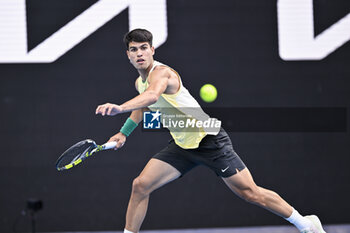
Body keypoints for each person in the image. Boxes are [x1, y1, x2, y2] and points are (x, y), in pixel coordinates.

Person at [95, 29, 326, 233]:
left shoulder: (162, 73)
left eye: (144, 48)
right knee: (140, 185)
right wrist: (124, 132)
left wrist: (120, 107)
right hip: (182, 145)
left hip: (209, 140)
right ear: (128, 55)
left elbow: (153, 95)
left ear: (152, 50)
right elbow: (145, 105)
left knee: (250, 193)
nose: (139, 54)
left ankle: (306, 225)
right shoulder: (139, 83)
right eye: (133, 50)